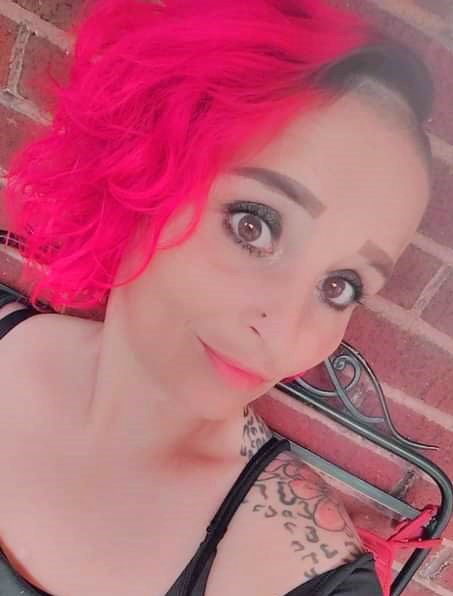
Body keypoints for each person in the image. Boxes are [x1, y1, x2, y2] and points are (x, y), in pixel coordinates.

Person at [0, 0, 433, 594]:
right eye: (254, 225)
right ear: (146, 170)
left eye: (340, 286)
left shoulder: (293, 565)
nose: (282, 330)